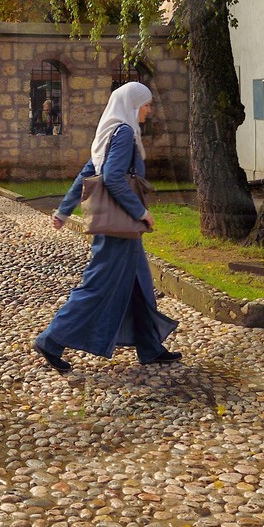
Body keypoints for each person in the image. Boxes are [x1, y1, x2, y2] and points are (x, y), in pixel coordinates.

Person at [33, 81, 181, 372]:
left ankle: (149, 346)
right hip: (119, 226)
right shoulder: (124, 132)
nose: (149, 110)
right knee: (97, 286)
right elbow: (112, 177)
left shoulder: (110, 132)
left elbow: (88, 172)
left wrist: (64, 211)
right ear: (133, 105)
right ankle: (51, 339)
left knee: (140, 284)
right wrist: (141, 211)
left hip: (121, 227)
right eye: (146, 105)